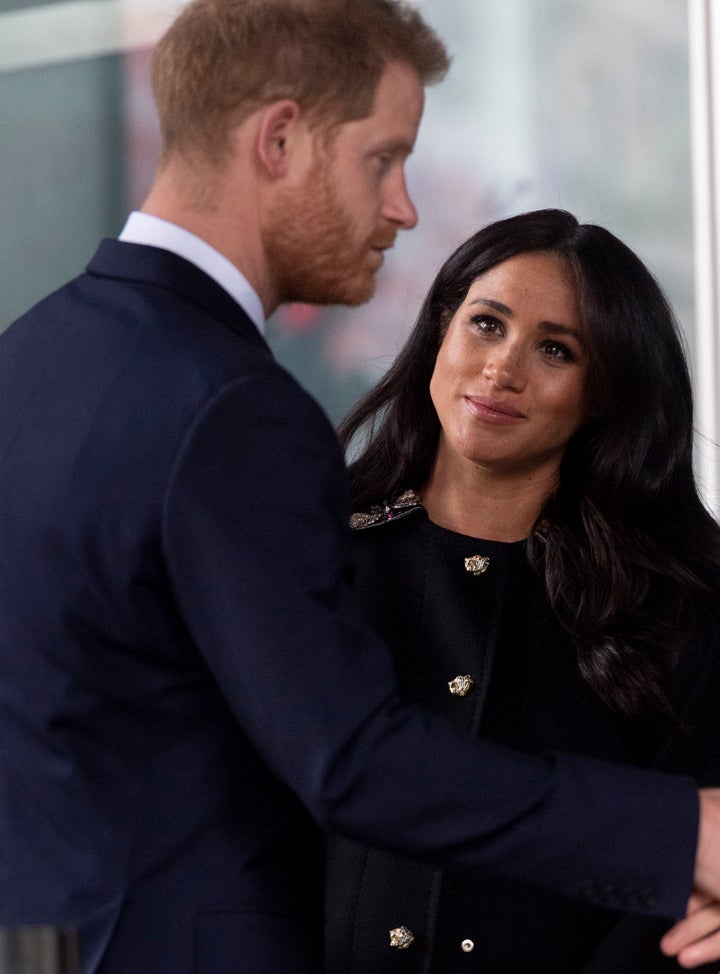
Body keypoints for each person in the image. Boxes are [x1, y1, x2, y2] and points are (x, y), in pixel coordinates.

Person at [0, 2, 718, 971]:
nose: (404, 207)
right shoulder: (233, 411)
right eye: (383, 158)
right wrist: (686, 837)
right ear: (281, 140)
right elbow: (354, 761)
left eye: (556, 349)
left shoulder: (31, 358)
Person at [326, 208, 720, 972]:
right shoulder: (314, 558)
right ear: (441, 328)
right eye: (486, 324)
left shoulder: (682, 604)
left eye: (555, 350)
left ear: (604, 391)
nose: (503, 369)